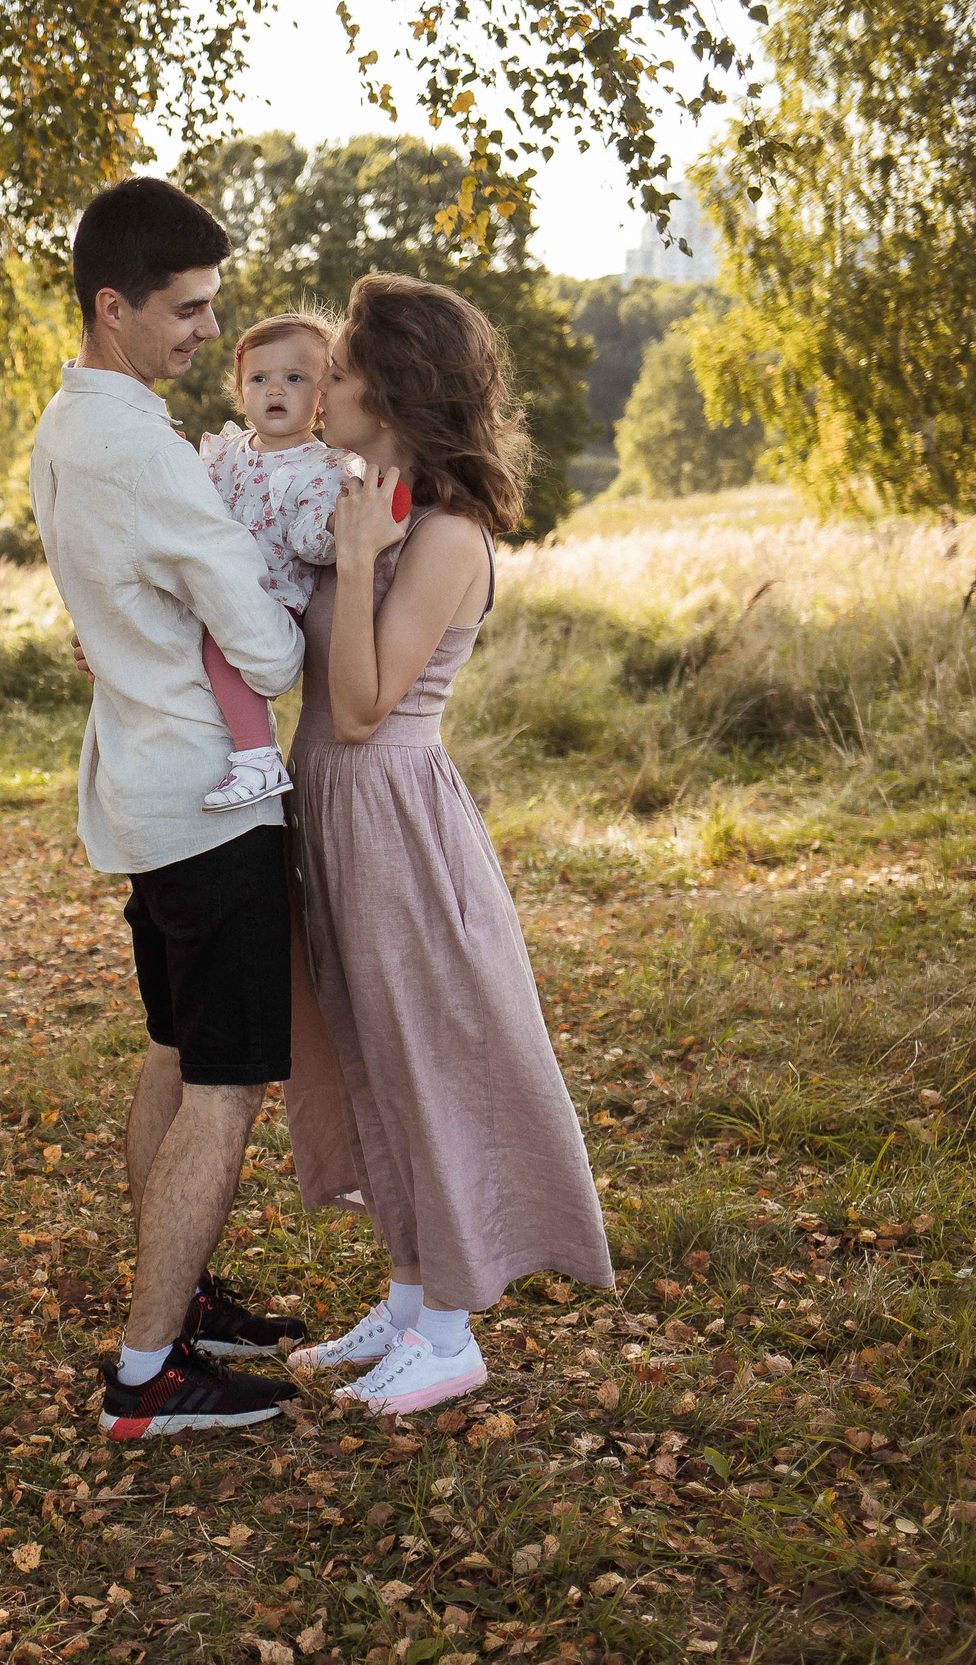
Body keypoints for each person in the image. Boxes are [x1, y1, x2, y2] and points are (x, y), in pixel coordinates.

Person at [274, 274, 614, 1416]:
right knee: (373, 1052)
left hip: (390, 813)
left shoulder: (447, 535)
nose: (321, 386)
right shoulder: (372, 500)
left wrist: (362, 557)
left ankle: (455, 1331)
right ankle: (412, 1294)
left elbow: (364, 707)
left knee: (426, 1054)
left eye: (341, 369)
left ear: (394, 388)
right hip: (329, 806)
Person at [28, 177, 312, 1441]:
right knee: (224, 1080)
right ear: (115, 306)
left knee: (168, 1050)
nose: (208, 332)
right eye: (188, 310)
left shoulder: (66, 423)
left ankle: (179, 1300)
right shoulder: (143, 446)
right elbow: (263, 648)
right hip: (208, 798)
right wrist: (312, 602)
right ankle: (148, 1377)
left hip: (145, 789)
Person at [193, 311, 407, 811]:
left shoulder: (327, 468)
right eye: (259, 379)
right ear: (240, 389)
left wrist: (336, 525)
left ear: (321, 395)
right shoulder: (225, 453)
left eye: (295, 379)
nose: (275, 391)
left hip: (269, 601)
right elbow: (191, 514)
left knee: (220, 650)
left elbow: (312, 543)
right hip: (213, 587)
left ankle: (258, 758)